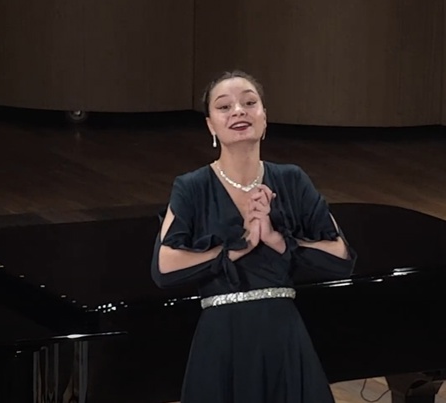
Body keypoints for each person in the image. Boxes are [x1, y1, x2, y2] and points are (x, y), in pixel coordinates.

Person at [151, 70, 357, 403]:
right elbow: (164, 268)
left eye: (249, 103)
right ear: (211, 126)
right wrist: (240, 246)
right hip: (222, 342)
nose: (238, 111)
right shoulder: (192, 187)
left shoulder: (292, 179)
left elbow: (342, 256)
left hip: (284, 338)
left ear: (264, 118)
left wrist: (277, 240)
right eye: (224, 107)